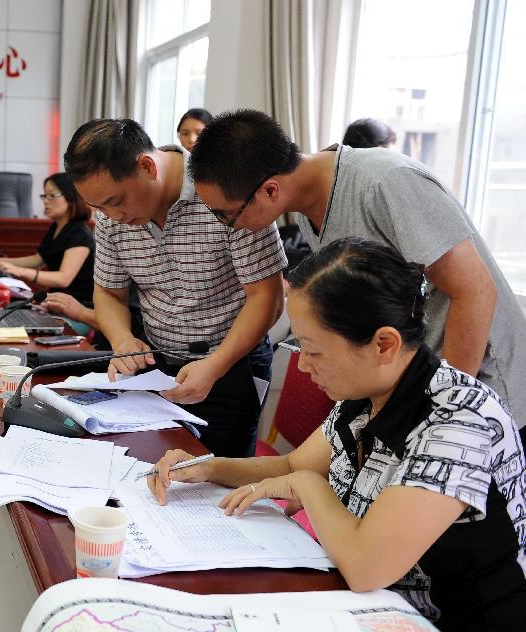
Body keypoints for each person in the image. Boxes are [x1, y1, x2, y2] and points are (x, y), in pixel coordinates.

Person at [148, 238, 526, 631]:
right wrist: (208, 468)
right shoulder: (370, 391)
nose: (303, 366)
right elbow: (290, 465)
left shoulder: (459, 422)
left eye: (314, 351)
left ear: (383, 344)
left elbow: (365, 566)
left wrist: (307, 484)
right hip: (367, 604)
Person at [189, 108, 526, 435]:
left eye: (226, 215)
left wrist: (444, 410)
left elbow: (475, 291)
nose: (226, 226)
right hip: (417, 384)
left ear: (270, 190)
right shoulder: (308, 209)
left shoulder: (385, 183)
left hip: (482, 390)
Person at [63, 119, 287, 458]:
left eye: (116, 201)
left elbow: (267, 298)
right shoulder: (111, 217)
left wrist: (215, 365)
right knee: (151, 464)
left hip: (232, 366)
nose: (111, 215)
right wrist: (122, 340)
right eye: (99, 207)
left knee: (221, 474)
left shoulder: (224, 187)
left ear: (147, 166)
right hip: (158, 368)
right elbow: (108, 292)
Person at [0, 173, 95, 331]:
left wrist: (19, 271)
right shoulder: (57, 227)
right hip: (55, 307)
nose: (46, 201)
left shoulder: (80, 234)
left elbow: (63, 278)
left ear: (71, 197)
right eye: (44, 196)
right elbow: (37, 260)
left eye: (52, 195)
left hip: (77, 313)